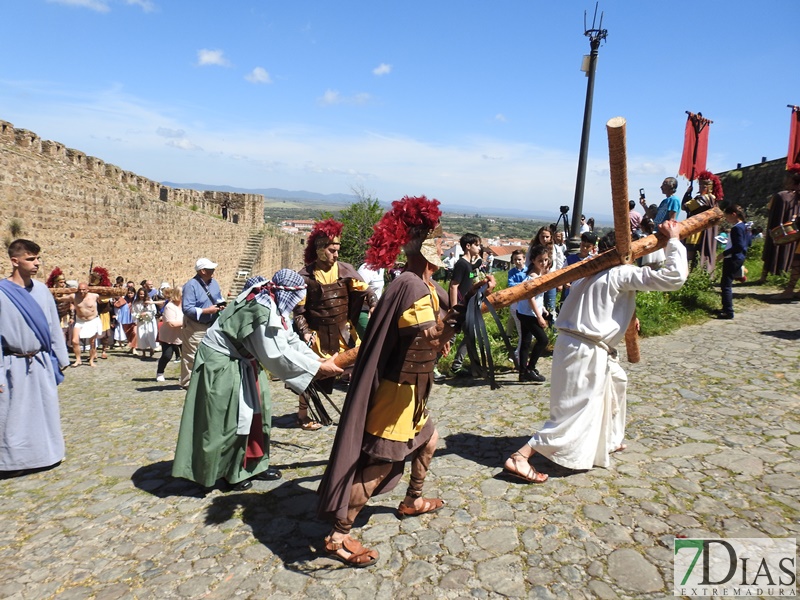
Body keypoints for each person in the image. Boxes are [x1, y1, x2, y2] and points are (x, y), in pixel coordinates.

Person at [317, 195, 485, 567]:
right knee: (381, 465)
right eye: (436, 241)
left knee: (429, 439)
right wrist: (462, 307)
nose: (441, 247)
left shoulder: (422, 285)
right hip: (398, 392)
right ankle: (339, 534)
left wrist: (464, 302)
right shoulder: (410, 286)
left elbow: (435, 338)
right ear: (424, 249)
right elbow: (431, 337)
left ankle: (412, 499)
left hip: (416, 390)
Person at [502, 221, 688, 482]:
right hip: (584, 349)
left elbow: (609, 302)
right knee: (573, 411)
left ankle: (609, 440)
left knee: (616, 383)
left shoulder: (589, 269)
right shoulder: (619, 272)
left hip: (586, 346)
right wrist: (674, 241)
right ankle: (520, 457)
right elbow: (673, 278)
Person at [172, 271, 342, 491]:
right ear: (286, 293)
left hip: (244, 359)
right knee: (232, 417)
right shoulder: (261, 308)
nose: (297, 303)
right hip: (223, 361)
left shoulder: (273, 302)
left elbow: (288, 338)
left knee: (258, 411)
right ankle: (230, 471)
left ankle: (254, 464)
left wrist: (316, 359)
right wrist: (317, 367)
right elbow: (276, 353)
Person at [293, 219, 377, 430]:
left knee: (360, 371)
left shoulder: (345, 270)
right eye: (332, 250)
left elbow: (366, 291)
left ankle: (361, 413)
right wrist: (304, 332)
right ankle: (302, 415)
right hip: (318, 336)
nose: (336, 255)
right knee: (310, 377)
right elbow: (299, 311)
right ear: (320, 249)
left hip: (344, 334)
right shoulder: (305, 276)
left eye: (338, 250)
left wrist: (374, 303)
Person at [0, 239, 70, 474]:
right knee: (13, 416)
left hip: (40, 363)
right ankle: (13, 462)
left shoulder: (41, 291)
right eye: (31, 258)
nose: (37, 263)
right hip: (12, 363)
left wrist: (61, 360)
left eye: (38, 258)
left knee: (44, 411)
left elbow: (53, 328)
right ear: (15, 261)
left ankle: (47, 455)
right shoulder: (2, 293)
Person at [180, 258, 224, 388]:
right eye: (210, 269)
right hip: (195, 325)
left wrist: (221, 304)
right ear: (203, 271)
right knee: (191, 355)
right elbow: (187, 308)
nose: (213, 271)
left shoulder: (214, 283)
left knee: (211, 353)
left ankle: (205, 380)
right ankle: (188, 383)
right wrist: (206, 310)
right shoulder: (191, 285)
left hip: (211, 323)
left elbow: (218, 297)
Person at [448, 232, 483, 376]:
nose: (479, 247)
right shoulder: (462, 264)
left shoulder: (468, 265)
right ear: (468, 246)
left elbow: (469, 278)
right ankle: (434, 364)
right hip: (461, 306)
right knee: (450, 336)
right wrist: (454, 307)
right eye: (477, 244)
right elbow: (453, 285)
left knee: (470, 335)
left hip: (468, 305)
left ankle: (457, 365)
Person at [516, 246, 550, 383]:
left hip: (524, 311)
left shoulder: (538, 273)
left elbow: (538, 298)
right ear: (533, 261)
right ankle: (530, 368)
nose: (544, 263)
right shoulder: (533, 277)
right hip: (528, 313)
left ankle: (523, 372)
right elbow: (531, 298)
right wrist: (539, 316)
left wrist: (543, 309)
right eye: (540, 260)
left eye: (546, 260)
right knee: (543, 340)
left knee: (525, 342)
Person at [763, 166, 800, 284]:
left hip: (779, 229)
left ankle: (764, 275)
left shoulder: (780, 196)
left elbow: (771, 211)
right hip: (794, 230)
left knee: (772, 244)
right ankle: (785, 275)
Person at [682, 171, 721, 272]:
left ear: (709, 186)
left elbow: (685, 207)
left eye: (703, 185)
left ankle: (690, 274)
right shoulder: (714, 199)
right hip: (708, 230)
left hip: (697, 230)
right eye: (700, 185)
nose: (701, 187)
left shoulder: (703, 198)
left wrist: (687, 194)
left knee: (691, 254)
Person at [718, 205, 751, 319]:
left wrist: (724, 254)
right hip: (740, 257)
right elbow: (747, 243)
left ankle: (728, 311)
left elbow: (738, 246)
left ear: (733, 214)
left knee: (725, 285)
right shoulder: (745, 227)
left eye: (727, 216)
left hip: (732, 258)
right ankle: (726, 308)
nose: (726, 219)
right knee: (727, 283)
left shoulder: (736, 228)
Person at [67, 282, 102, 367]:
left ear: (87, 289)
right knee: (74, 341)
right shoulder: (74, 296)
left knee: (92, 342)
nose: (81, 291)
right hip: (80, 321)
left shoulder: (94, 296)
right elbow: (62, 298)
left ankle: (91, 360)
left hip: (92, 320)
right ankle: (78, 360)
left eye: (83, 290)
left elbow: (107, 297)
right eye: (80, 290)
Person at [156, 287, 183, 381]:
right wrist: (188, 322)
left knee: (187, 357)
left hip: (183, 335)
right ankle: (160, 372)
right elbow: (171, 323)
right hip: (169, 335)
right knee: (167, 355)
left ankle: (184, 375)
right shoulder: (170, 306)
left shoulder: (186, 305)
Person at [561, 231, 597, 302]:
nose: (585, 248)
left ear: (593, 247)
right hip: (571, 293)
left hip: (585, 293)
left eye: (588, 246)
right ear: (580, 244)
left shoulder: (593, 261)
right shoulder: (570, 259)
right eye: (583, 245)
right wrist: (565, 282)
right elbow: (563, 273)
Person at [506, 249, 527, 363]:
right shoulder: (511, 272)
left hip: (527, 304)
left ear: (524, 259)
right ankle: (517, 356)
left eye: (519, 259)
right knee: (521, 331)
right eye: (515, 260)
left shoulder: (529, 271)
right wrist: (524, 285)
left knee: (526, 333)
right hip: (516, 304)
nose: (518, 262)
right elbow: (510, 285)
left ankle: (518, 354)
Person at [355, 262, 385, 338]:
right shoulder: (365, 269)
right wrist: (373, 304)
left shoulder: (381, 268)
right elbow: (357, 293)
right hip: (362, 311)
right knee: (370, 337)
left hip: (376, 310)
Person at [131, 288, 157, 358]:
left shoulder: (149, 301)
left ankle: (151, 348)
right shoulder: (136, 303)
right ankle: (143, 352)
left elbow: (154, 311)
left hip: (148, 321)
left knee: (150, 335)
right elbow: (133, 312)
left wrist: (147, 314)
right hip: (141, 321)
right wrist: (139, 315)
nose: (141, 295)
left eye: (143, 294)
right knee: (141, 336)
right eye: (140, 294)